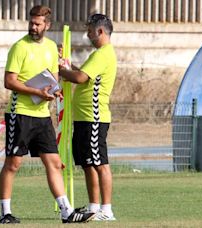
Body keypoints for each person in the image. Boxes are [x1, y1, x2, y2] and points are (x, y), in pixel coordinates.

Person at [0, 5, 96, 224]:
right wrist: (35, 91)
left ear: (47, 25)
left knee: (53, 162)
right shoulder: (19, 48)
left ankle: (66, 211)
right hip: (20, 114)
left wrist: (54, 91)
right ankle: (5, 213)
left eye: (38, 23)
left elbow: (52, 78)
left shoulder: (52, 47)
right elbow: (9, 81)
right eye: (31, 22)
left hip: (43, 116)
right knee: (13, 164)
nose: (33, 27)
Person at [58, 13, 117, 221]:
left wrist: (61, 70)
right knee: (87, 163)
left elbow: (80, 78)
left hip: (94, 117)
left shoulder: (104, 54)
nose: (88, 34)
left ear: (100, 31)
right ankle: (94, 208)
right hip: (83, 118)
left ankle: (107, 210)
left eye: (90, 31)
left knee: (100, 164)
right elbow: (82, 73)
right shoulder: (97, 55)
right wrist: (65, 65)